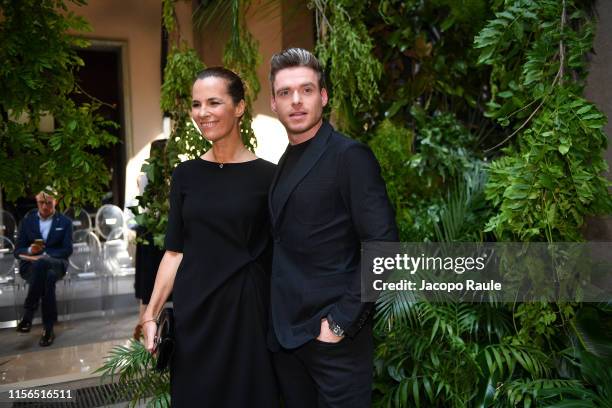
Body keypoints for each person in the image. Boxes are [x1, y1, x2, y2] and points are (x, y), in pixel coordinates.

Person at [268, 48, 399, 407]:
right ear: (273, 104)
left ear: (323, 97)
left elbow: (384, 246)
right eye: (285, 93)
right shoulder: (286, 159)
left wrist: (340, 323)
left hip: (332, 344)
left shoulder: (349, 156)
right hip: (287, 340)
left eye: (306, 90)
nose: (296, 100)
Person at [142, 67, 279, 407]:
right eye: (196, 104)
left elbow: (284, 254)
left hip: (246, 315)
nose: (202, 113)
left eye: (214, 102)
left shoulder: (269, 177)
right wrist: (149, 315)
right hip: (194, 316)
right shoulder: (186, 175)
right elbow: (175, 252)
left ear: (239, 107)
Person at [14, 187, 73, 347]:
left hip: (56, 263)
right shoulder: (27, 222)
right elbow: (17, 251)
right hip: (31, 267)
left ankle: (28, 315)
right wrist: (30, 250)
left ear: (55, 201)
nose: (45, 207)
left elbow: (67, 250)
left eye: (48, 203)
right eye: (41, 203)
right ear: (36, 201)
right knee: (48, 277)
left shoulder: (65, 222)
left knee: (44, 264)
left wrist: (46, 255)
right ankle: (48, 329)